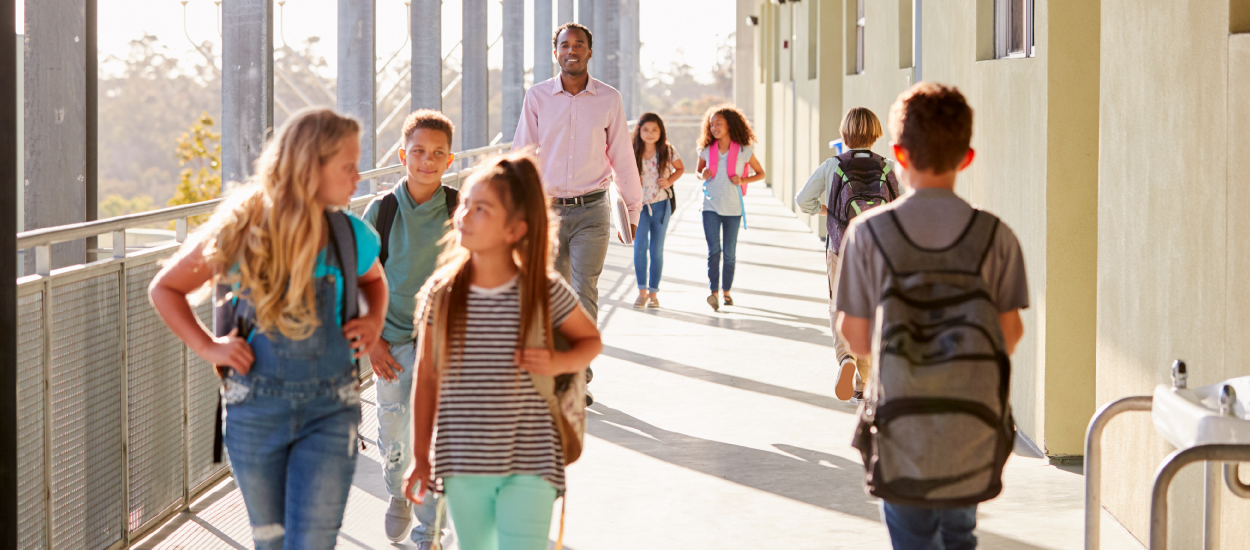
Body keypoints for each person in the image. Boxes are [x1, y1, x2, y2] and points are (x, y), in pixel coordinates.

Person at [148, 108, 388, 550]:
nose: (359, 176)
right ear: (311, 166)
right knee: (271, 541)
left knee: (313, 541)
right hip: (254, 411)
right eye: (348, 166)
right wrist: (209, 347)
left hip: (331, 410)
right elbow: (165, 288)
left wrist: (373, 320)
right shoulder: (241, 229)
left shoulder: (351, 233)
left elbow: (374, 281)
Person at [834, 83, 1028, 549]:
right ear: (968, 157)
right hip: (972, 422)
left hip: (903, 425)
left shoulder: (868, 233)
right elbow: (1010, 333)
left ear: (898, 154)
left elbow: (856, 340)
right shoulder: (995, 235)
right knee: (959, 534)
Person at [402, 153, 604, 550]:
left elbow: (590, 341)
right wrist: (421, 456)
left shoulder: (543, 291)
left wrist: (558, 361)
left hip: (533, 459)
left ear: (515, 229)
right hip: (462, 462)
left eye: (482, 210)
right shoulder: (441, 294)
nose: (464, 215)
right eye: (464, 205)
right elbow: (425, 376)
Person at [362, 110, 457, 547]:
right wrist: (373, 342)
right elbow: (359, 280)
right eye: (418, 152)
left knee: (433, 436)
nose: (427, 161)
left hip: (442, 340)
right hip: (392, 338)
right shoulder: (382, 210)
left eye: (437, 153)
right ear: (403, 155)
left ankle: (428, 532)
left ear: (450, 160)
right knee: (394, 431)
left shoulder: (460, 209)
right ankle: (398, 490)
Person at [511, 21, 642, 321]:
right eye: (565, 45)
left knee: (585, 290)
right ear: (555, 53)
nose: (572, 50)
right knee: (553, 293)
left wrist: (632, 211)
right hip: (548, 212)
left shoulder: (610, 99)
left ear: (590, 52)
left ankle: (581, 369)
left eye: (579, 44)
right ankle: (559, 365)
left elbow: (622, 156)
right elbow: (522, 154)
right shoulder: (537, 97)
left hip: (593, 211)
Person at [796, 107, 900, 404]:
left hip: (841, 247)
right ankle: (863, 382)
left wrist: (828, 211)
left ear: (845, 133)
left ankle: (846, 359)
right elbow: (903, 203)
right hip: (878, 250)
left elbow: (803, 200)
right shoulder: (888, 166)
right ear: (876, 132)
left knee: (839, 307)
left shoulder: (833, 165)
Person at [695, 104, 765, 312]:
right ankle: (713, 293)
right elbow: (698, 172)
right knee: (713, 251)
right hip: (710, 206)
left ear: (730, 125)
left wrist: (743, 179)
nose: (714, 127)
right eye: (712, 124)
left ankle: (726, 291)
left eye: (719, 124)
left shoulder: (744, 150)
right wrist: (702, 175)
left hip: (734, 208)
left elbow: (760, 173)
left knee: (730, 253)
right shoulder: (706, 149)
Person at [631, 112, 685, 309]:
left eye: (654, 129)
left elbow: (680, 168)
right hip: (639, 207)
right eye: (645, 129)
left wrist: (669, 180)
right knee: (639, 248)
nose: (650, 133)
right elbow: (618, 171)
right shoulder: (632, 150)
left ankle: (654, 294)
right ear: (639, 131)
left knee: (656, 249)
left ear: (661, 131)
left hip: (661, 205)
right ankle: (641, 292)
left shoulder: (667, 151)